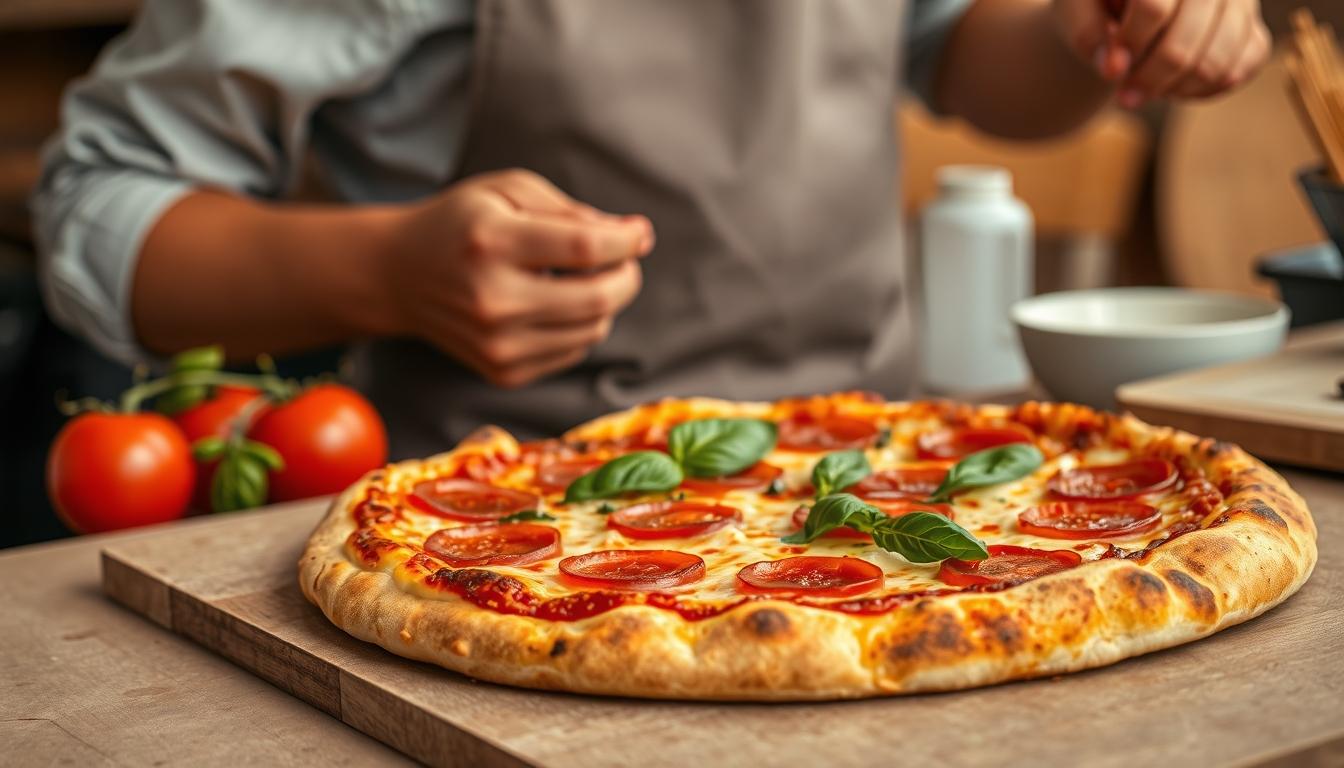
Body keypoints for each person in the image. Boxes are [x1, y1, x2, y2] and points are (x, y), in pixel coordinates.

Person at [34, 0, 1270, 458]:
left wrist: (1092, 32)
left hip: (881, 473)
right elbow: (97, 199)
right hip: (518, 511)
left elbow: (954, 46)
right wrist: (389, 274)